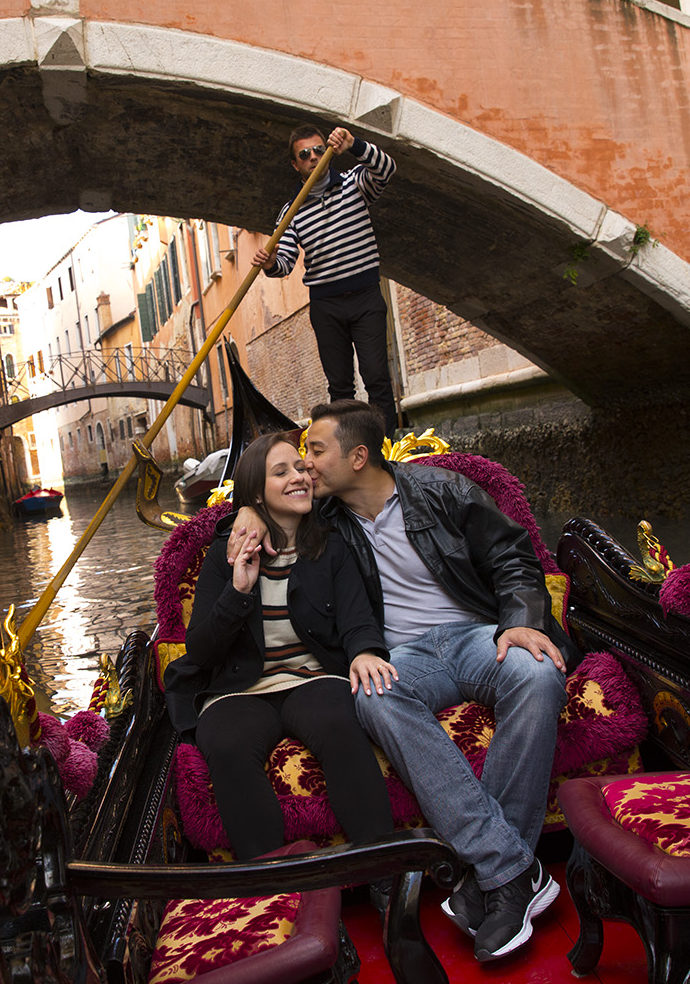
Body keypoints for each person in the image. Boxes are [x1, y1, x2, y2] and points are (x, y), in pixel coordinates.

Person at [229, 400, 582, 961]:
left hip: (477, 636)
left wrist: (518, 624)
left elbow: (514, 557)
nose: (305, 467)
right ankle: (513, 871)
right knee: (371, 695)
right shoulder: (327, 519)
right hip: (403, 656)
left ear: (359, 456)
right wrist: (245, 511)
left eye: (316, 451)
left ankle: (495, 873)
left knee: (536, 675)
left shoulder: (445, 491)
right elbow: (268, 508)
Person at [163, 431, 399, 862]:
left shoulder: (331, 546)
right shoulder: (224, 554)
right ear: (256, 492)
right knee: (228, 744)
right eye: (281, 472)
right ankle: (273, 885)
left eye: (300, 467)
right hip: (239, 688)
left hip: (312, 677)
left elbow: (357, 621)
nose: (299, 476)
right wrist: (238, 591)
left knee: (340, 725)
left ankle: (383, 871)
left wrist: (366, 651)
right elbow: (199, 650)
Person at [253, 125, 398, 433]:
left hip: (365, 296)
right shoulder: (290, 213)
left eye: (319, 150)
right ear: (296, 164)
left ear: (328, 152)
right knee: (340, 388)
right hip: (326, 306)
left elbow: (386, 169)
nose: (313, 157)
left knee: (377, 377)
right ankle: (347, 455)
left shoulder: (354, 184)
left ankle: (387, 452)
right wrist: (268, 263)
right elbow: (285, 264)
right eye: (305, 154)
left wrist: (354, 144)